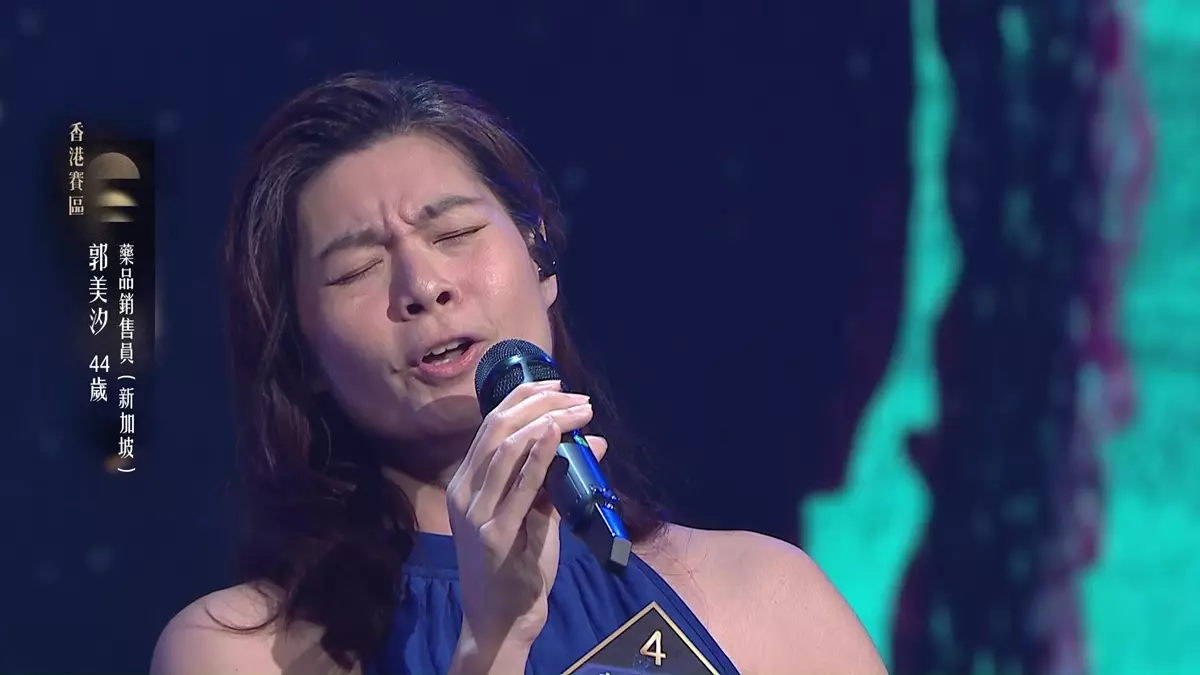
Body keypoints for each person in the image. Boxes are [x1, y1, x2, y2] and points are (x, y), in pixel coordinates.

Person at [150, 72, 888, 675]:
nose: (424, 285)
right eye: (357, 269)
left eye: (455, 232)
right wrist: (492, 644)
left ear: (539, 256)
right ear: (302, 354)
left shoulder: (758, 593)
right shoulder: (242, 651)